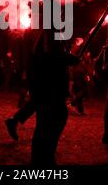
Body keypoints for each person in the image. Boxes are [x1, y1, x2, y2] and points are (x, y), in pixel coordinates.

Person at [29, 28, 79, 165]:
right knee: (50, 125)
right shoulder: (50, 30)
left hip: (48, 88)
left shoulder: (52, 31)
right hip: (49, 88)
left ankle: (43, 161)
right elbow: (52, 55)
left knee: (47, 127)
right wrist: (69, 58)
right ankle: (43, 162)